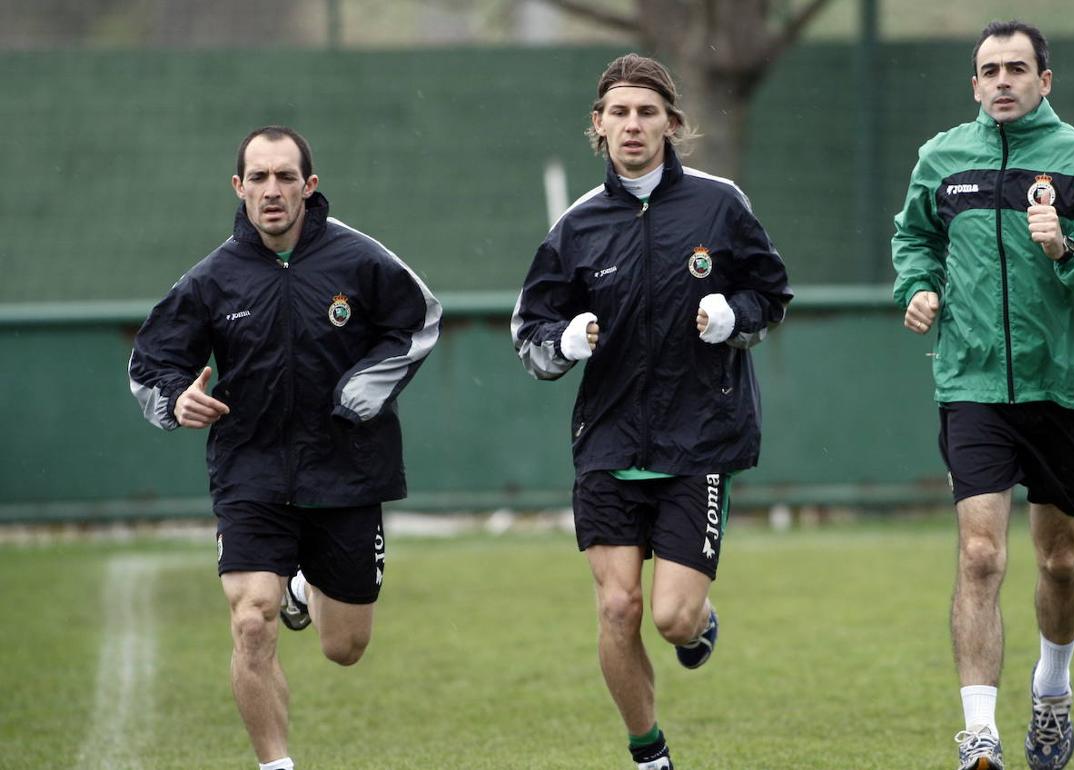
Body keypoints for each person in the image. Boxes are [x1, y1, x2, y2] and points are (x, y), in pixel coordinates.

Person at [128, 125, 441, 770]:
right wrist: (174, 401)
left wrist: (364, 385)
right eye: (260, 178)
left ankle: (302, 588)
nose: (273, 191)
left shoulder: (361, 260)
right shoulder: (212, 279)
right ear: (239, 188)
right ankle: (276, 764)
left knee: (345, 647)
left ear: (310, 185)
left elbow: (420, 319)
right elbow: (150, 362)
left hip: (348, 473)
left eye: (286, 177)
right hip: (251, 473)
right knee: (251, 620)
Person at [891, 20, 1074, 770]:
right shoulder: (942, 161)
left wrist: (1067, 247)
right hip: (972, 383)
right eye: (989, 70)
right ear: (973, 85)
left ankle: (1052, 693)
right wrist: (918, 289)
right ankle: (980, 734)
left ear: (1046, 79)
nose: (1002, 80)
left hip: (1067, 388)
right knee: (980, 554)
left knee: (1060, 563)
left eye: (1017, 68)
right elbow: (915, 241)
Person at [512, 53, 791, 770]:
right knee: (617, 609)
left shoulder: (719, 204)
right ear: (597, 127)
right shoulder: (576, 227)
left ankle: (698, 627)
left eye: (647, 112)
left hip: (697, 439)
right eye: (619, 113)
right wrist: (564, 342)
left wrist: (734, 316)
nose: (633, 125)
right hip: (607, 442)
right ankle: (650, 754)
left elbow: (771, 295)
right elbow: (530, 331)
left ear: (672, 123)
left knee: (670, 616)